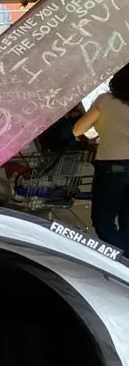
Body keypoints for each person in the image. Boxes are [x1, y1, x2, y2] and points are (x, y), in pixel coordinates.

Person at [74, 67, 129, 252]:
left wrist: (103, 129)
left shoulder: (105, 101)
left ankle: (122, 263)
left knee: (103, 221)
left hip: (112, 165)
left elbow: (78, 130)